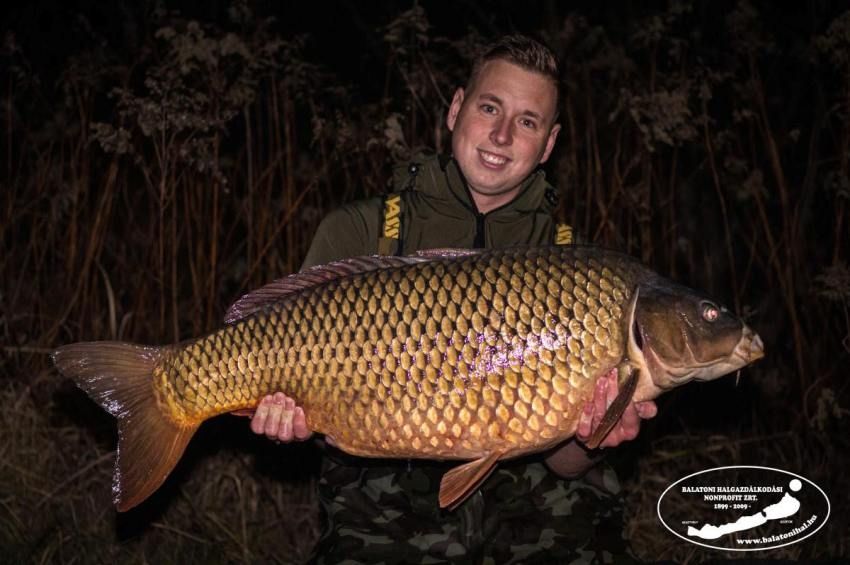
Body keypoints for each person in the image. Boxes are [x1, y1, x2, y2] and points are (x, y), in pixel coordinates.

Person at [249, 35, 657, 563]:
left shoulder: (575, 267)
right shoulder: (361, 231)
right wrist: (291, 423)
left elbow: (567, 464)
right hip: (383, 502)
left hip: (532, 507)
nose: (502, 134)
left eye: (528, 121)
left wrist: (592, 435)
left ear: (549, 145)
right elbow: (320, 416)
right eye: (490, 108)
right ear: (456, 109)